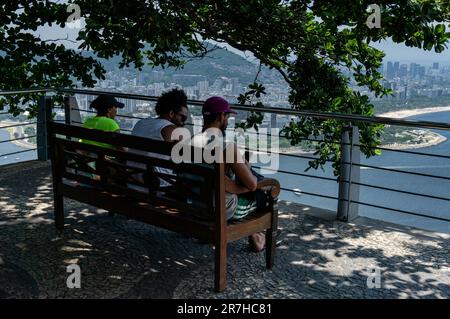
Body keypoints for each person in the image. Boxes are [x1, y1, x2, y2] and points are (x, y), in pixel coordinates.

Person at [190, 96, 267, 252]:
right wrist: (246, 167)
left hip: (193, 204)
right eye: (228, 117)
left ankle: (256, 235)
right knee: (265, 194)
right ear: (220, 117)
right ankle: (258, 238)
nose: (228, 120)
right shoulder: (226, 147)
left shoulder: (188, 142)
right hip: (220, 209)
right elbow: (251, 184)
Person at [130, 88, 188, 188]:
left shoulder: (140, 123)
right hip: (159, 186)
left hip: (132, 181)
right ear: (171, 113)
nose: (183, 122)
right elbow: (182, 159)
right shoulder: (171, 129)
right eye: (182, 118)